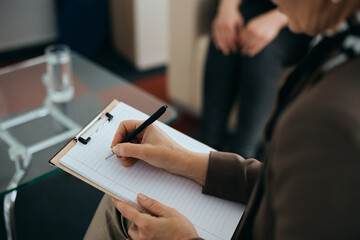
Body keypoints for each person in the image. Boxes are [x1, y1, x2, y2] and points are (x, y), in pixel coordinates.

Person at [85, 0, 360, 239]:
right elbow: (279, 182)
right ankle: (211, 138)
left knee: (119, 208)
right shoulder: (342, 58)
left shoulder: (326, 123)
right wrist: (181, 157)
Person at [200, 0, 311, 158]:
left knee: (262, 52)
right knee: (226, 33)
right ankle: (208, 140)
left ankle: (243, 153)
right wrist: (227, 8)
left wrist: (280, 17)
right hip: (256, 6)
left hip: (299, 19)